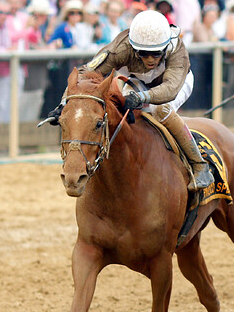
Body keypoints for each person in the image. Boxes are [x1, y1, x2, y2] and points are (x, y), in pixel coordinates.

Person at [46, 10, 213, 193]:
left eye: (156, 54)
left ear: (165, 48)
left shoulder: (177, 50)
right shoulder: (121, 47)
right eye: (143, 53)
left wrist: (141, 97)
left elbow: (170, 89)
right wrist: (64, 105)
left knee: (160, 109)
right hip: (137, 80)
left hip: (175, 84)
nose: (150, 59)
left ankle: (199, 165)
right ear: (134, 47)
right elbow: (84, 74)